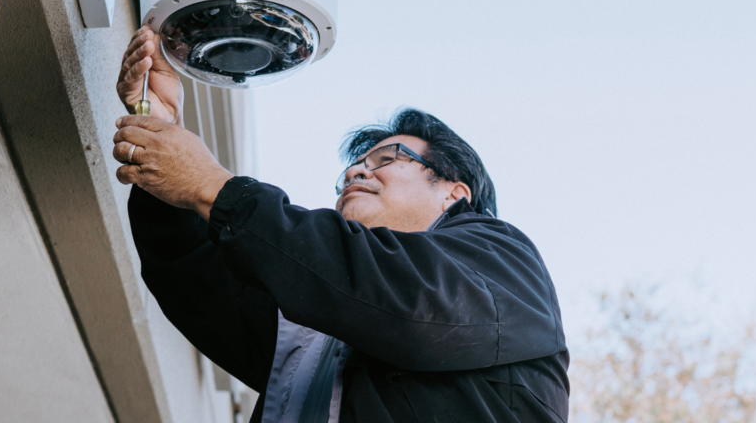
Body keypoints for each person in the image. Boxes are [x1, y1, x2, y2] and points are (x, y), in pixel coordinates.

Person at [112, 26, 570, 423]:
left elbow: (408, 301)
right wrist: (162, 131)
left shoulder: (501, 260)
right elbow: (198, 281)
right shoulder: (321, 325)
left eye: (388, 158)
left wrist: (216, 188)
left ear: (455, 190)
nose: (355, 172)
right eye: (353, 166)